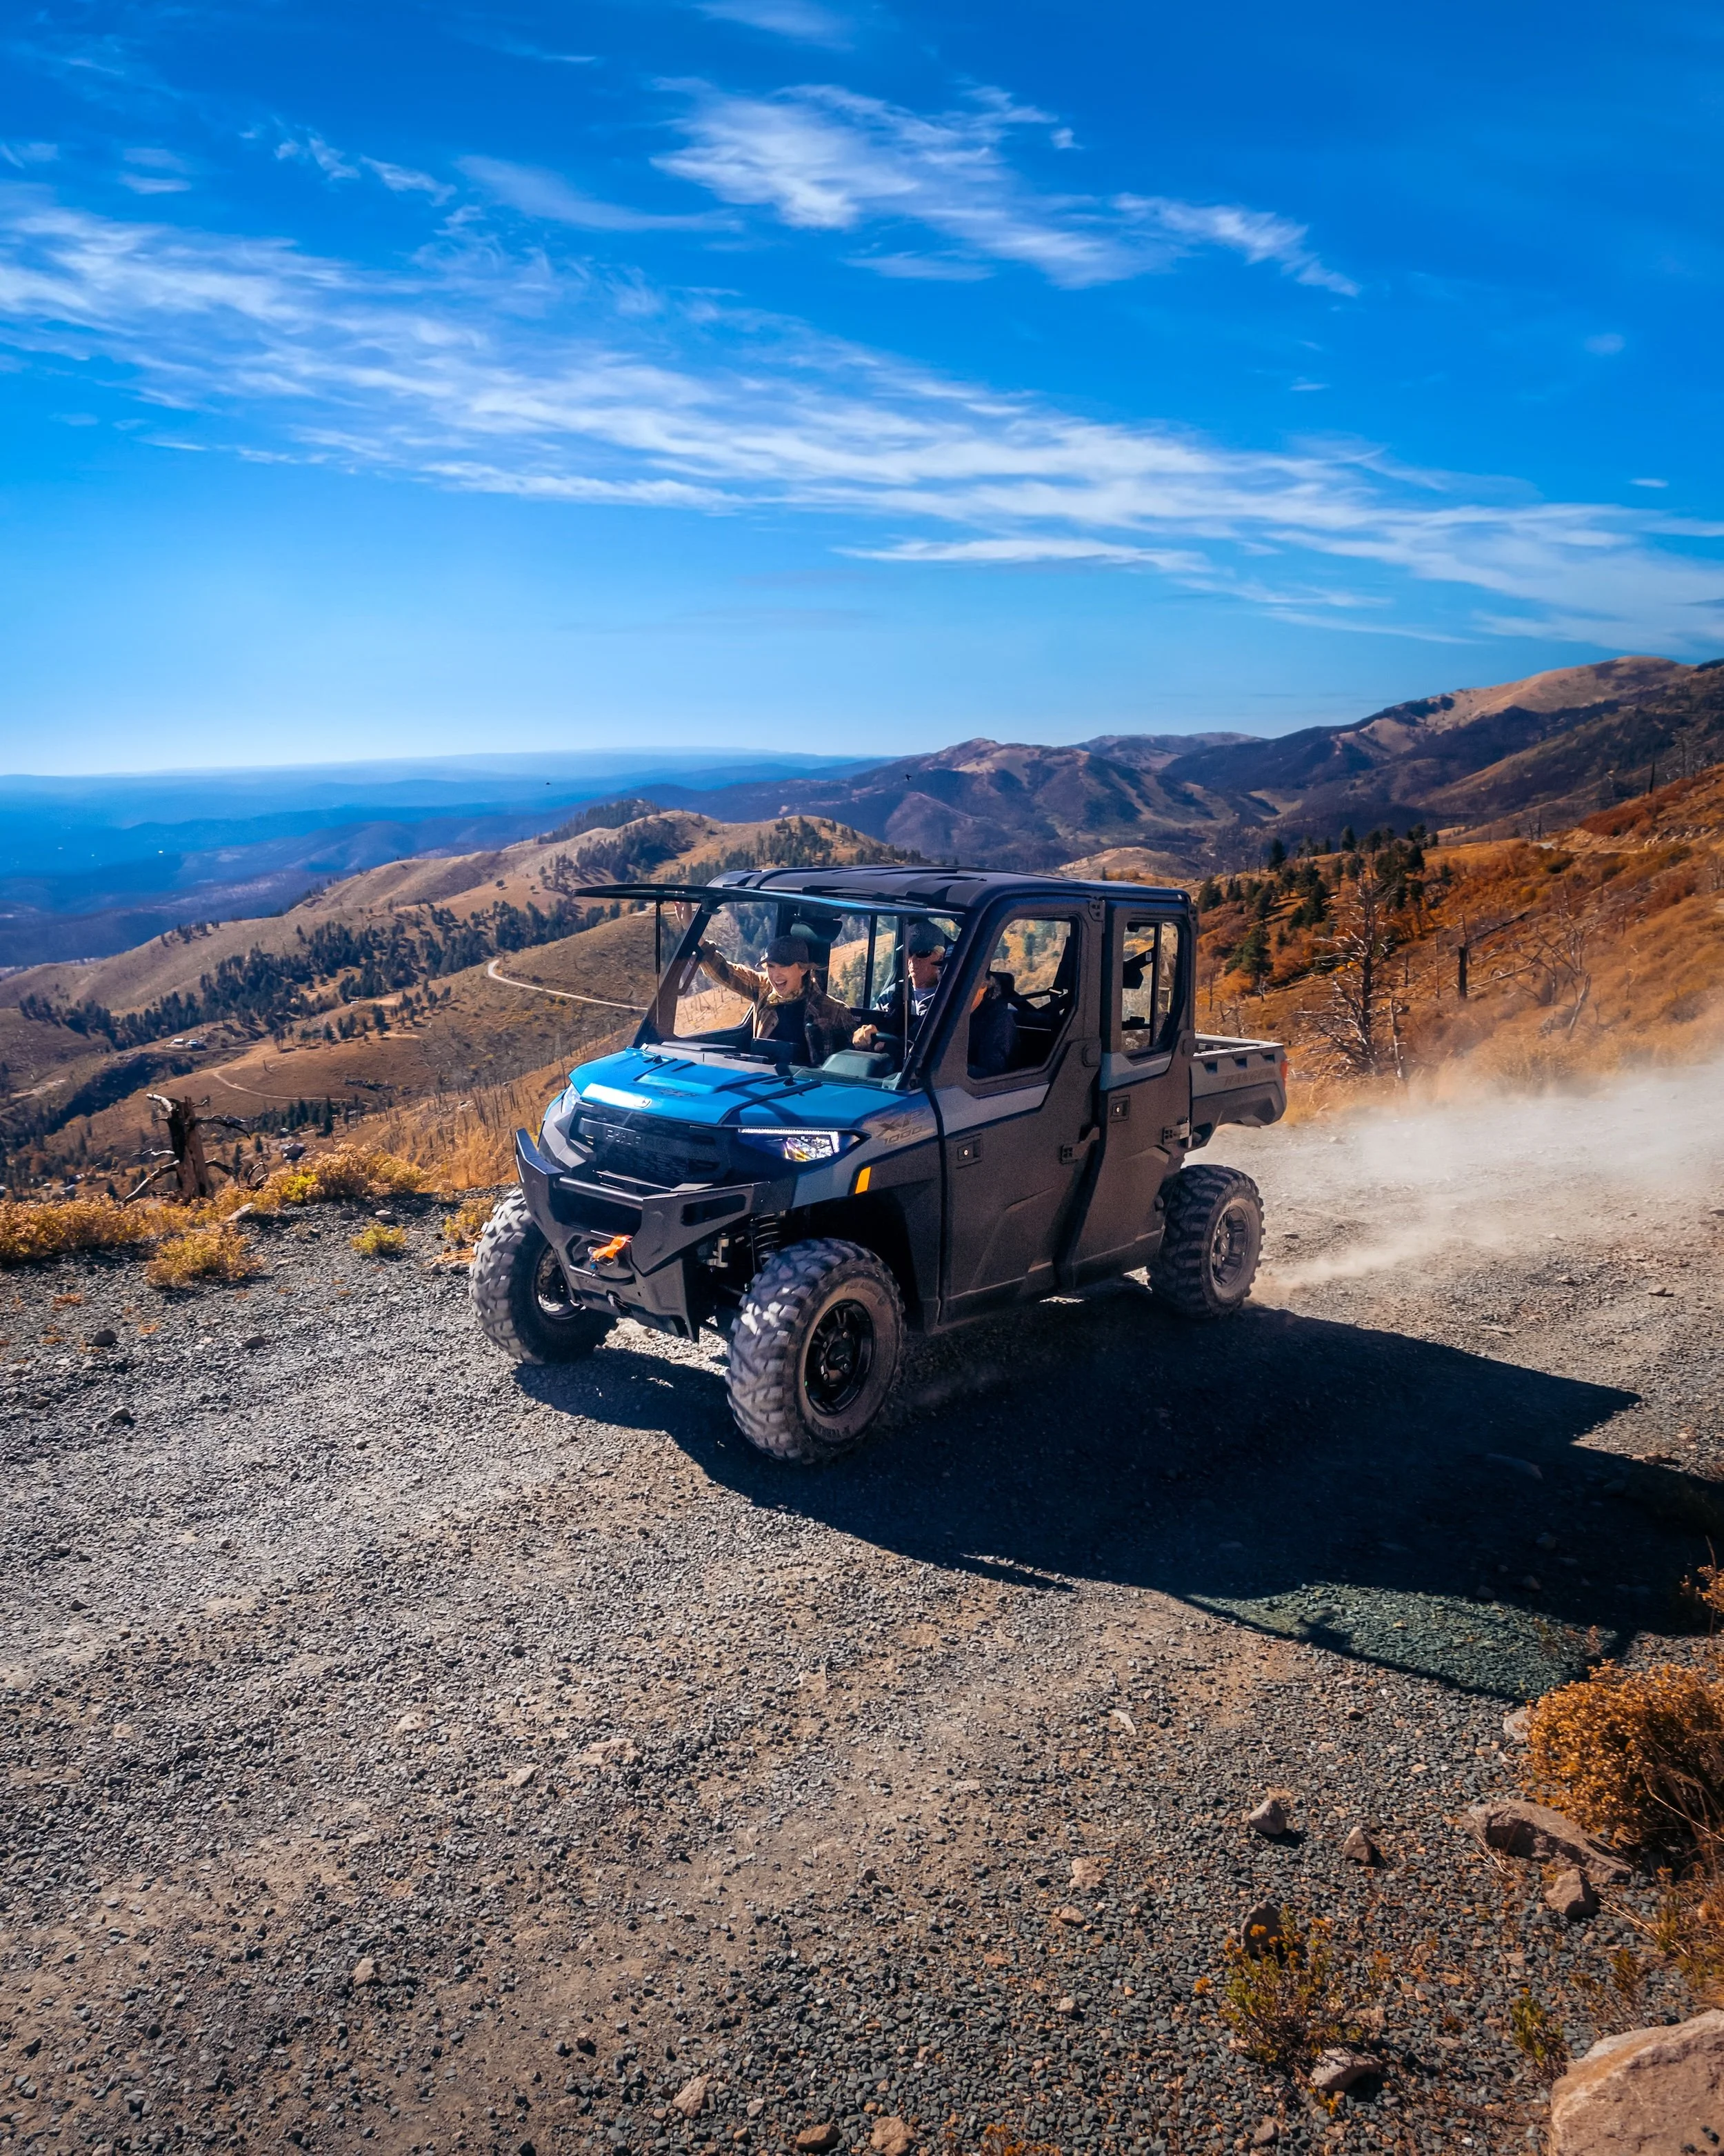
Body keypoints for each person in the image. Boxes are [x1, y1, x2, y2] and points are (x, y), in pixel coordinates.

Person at [691, 930, 855, 1064]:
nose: (776, 975)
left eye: (783, 966)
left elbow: (852, 1062)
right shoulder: (763, 988)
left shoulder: (834, 1011)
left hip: (808, 1090)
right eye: (770, 966)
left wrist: (867, 1044)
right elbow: (724, 972)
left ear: (803, 969)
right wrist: (698, 939)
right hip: (763, 1080)